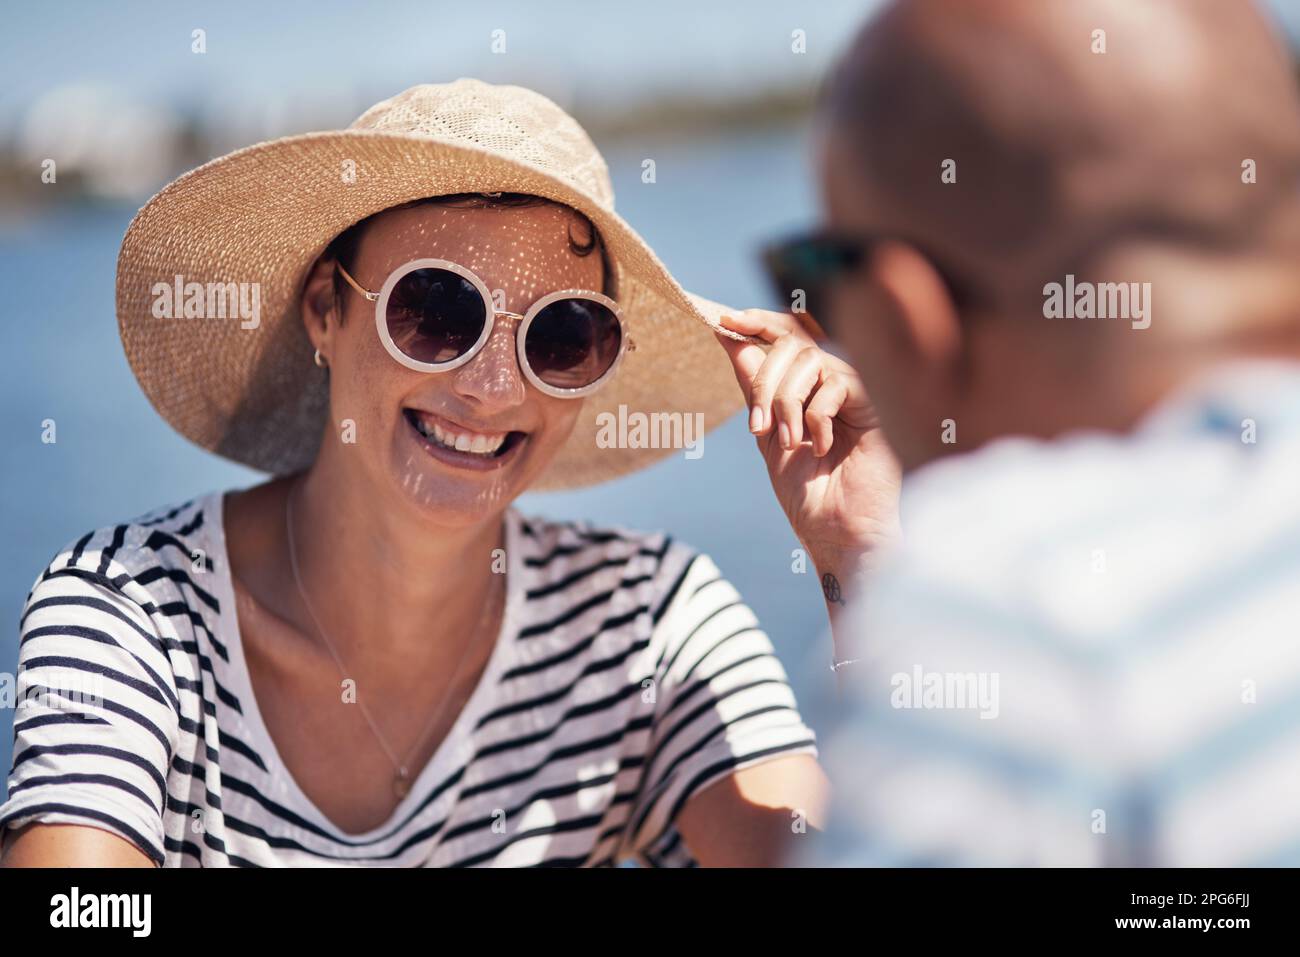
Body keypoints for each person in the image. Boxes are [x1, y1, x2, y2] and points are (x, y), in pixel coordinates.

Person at [0, 79, 899, 867]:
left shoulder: (650, 624)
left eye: (561, 335)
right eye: (435, 311)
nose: (493, 386)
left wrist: (866, 563)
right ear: (325, 310)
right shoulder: (131, 609)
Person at [762, 0, 1300, 865]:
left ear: (905, 316)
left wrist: (942, 580)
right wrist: (868, 552)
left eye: (815, 278)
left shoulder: (1012, 607)